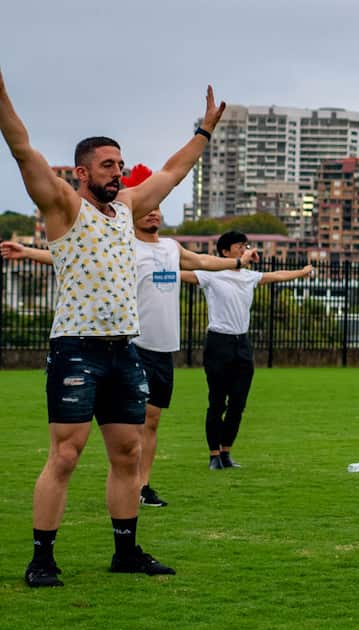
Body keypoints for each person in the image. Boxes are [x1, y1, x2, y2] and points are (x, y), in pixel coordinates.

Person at [1, 66, 226, 587]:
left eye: (120, 165)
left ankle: (126, 552)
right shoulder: (64, 207)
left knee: (129, 453)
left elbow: (172, 172)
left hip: (125, 350)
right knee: (66, 453)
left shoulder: (126, 209)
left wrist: (204, 131)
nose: (117, 172)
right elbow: (21, 147)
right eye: (107, 165)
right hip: (76, 349)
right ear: (81, 172)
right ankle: (42, 558)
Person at [1, 192, 251, 507]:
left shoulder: (171, 248)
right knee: (139, 422)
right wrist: (27, 251)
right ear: (132, 215)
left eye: (158, 209)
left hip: (164, 348)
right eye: (148, 209)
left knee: (153, 421)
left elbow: (202, 262)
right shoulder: (123, 245)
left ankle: (143, 485)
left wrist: (237, 262)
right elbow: (70, 255)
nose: (153, 213)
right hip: (135, 345)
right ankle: (135, 486)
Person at [181, 231, 312, 470]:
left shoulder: (249, 277)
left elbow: (277, 275)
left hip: (242, 344)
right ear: (225, 252)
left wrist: (302, 272)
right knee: (217, 402)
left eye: (245, 246)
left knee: (238, 403)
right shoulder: (213, 276)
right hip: (218, 343)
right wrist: (151, 270)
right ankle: (214, 455)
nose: (244, 250)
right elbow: (182, 274)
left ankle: (227, 452)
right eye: (239, 246)